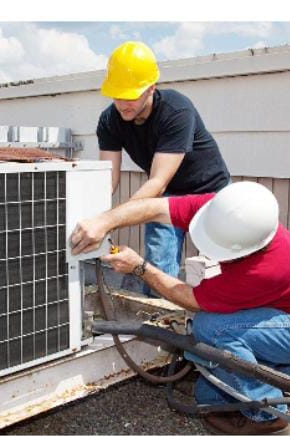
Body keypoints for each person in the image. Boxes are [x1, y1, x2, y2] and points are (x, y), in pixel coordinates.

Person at [70, 181, 290, 435]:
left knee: (211, 329)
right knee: (207, 393)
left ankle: (267, 417)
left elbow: (190, 299)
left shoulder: (266, 269)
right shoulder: (224, 212)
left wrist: (139, 267)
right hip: (286, 313)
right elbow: (154, 207)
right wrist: (104, 221)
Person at [97, 41, 231, 296]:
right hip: (168, 196)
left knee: (223, 266)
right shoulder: (109, 120)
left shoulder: (176, 110)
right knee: (157, 267)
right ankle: (160, 325)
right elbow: (109, 178)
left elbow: (157, 181)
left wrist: (109, 220)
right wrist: (94, 216)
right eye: (118, 94)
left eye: (132, 95)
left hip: (211, 193)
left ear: (151, 88)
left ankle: (219, 324)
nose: (124, 103)